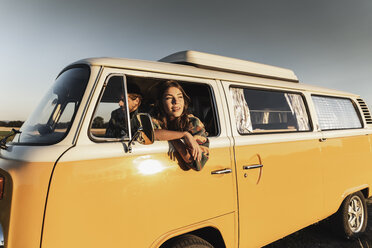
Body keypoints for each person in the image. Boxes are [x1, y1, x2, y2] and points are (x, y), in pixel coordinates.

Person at [152, 80, 209, 171]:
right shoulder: (154, 120)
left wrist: (174, 139)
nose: (176, 102)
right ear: (160, 102)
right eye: (169, 98)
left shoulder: (193, 122)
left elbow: (198, 164)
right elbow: (151, 134)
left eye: (180, 97)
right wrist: (184, 135)